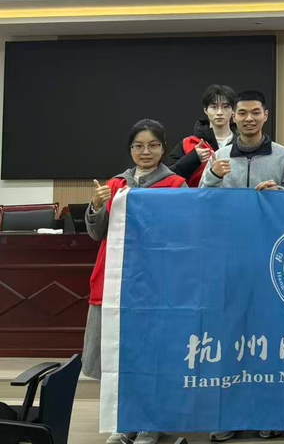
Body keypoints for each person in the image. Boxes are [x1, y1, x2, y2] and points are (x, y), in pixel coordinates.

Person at [84, 119, 187, 444]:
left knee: (152, 356)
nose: (146, 152)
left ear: (163, 148)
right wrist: (96, 205)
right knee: (121, 357)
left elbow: (184, 233)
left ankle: (151, 423)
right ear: (130, 149)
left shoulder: (176, 185)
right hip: (116, 281)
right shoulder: (115, 185)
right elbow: (96, 233)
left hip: (155, 285)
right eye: (138, 146)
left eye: (153, 145)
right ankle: (124, 421)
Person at [199, 90, 284, 192]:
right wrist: (214, 176)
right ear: (234, 117)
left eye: (256, 113)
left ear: (265, 115)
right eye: (242, 113)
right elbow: (201, 196)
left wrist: (278, 192)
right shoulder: (220, 156)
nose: (249, 118)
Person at [167, 84, 237, 186]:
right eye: (214, 107)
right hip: (199, 195)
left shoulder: (243, 143)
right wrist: (193, 158)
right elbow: (168, 177)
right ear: (205, 110)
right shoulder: (188, 144)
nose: (219, 112)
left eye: (225, 107)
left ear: (233, 110)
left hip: (235, 195)